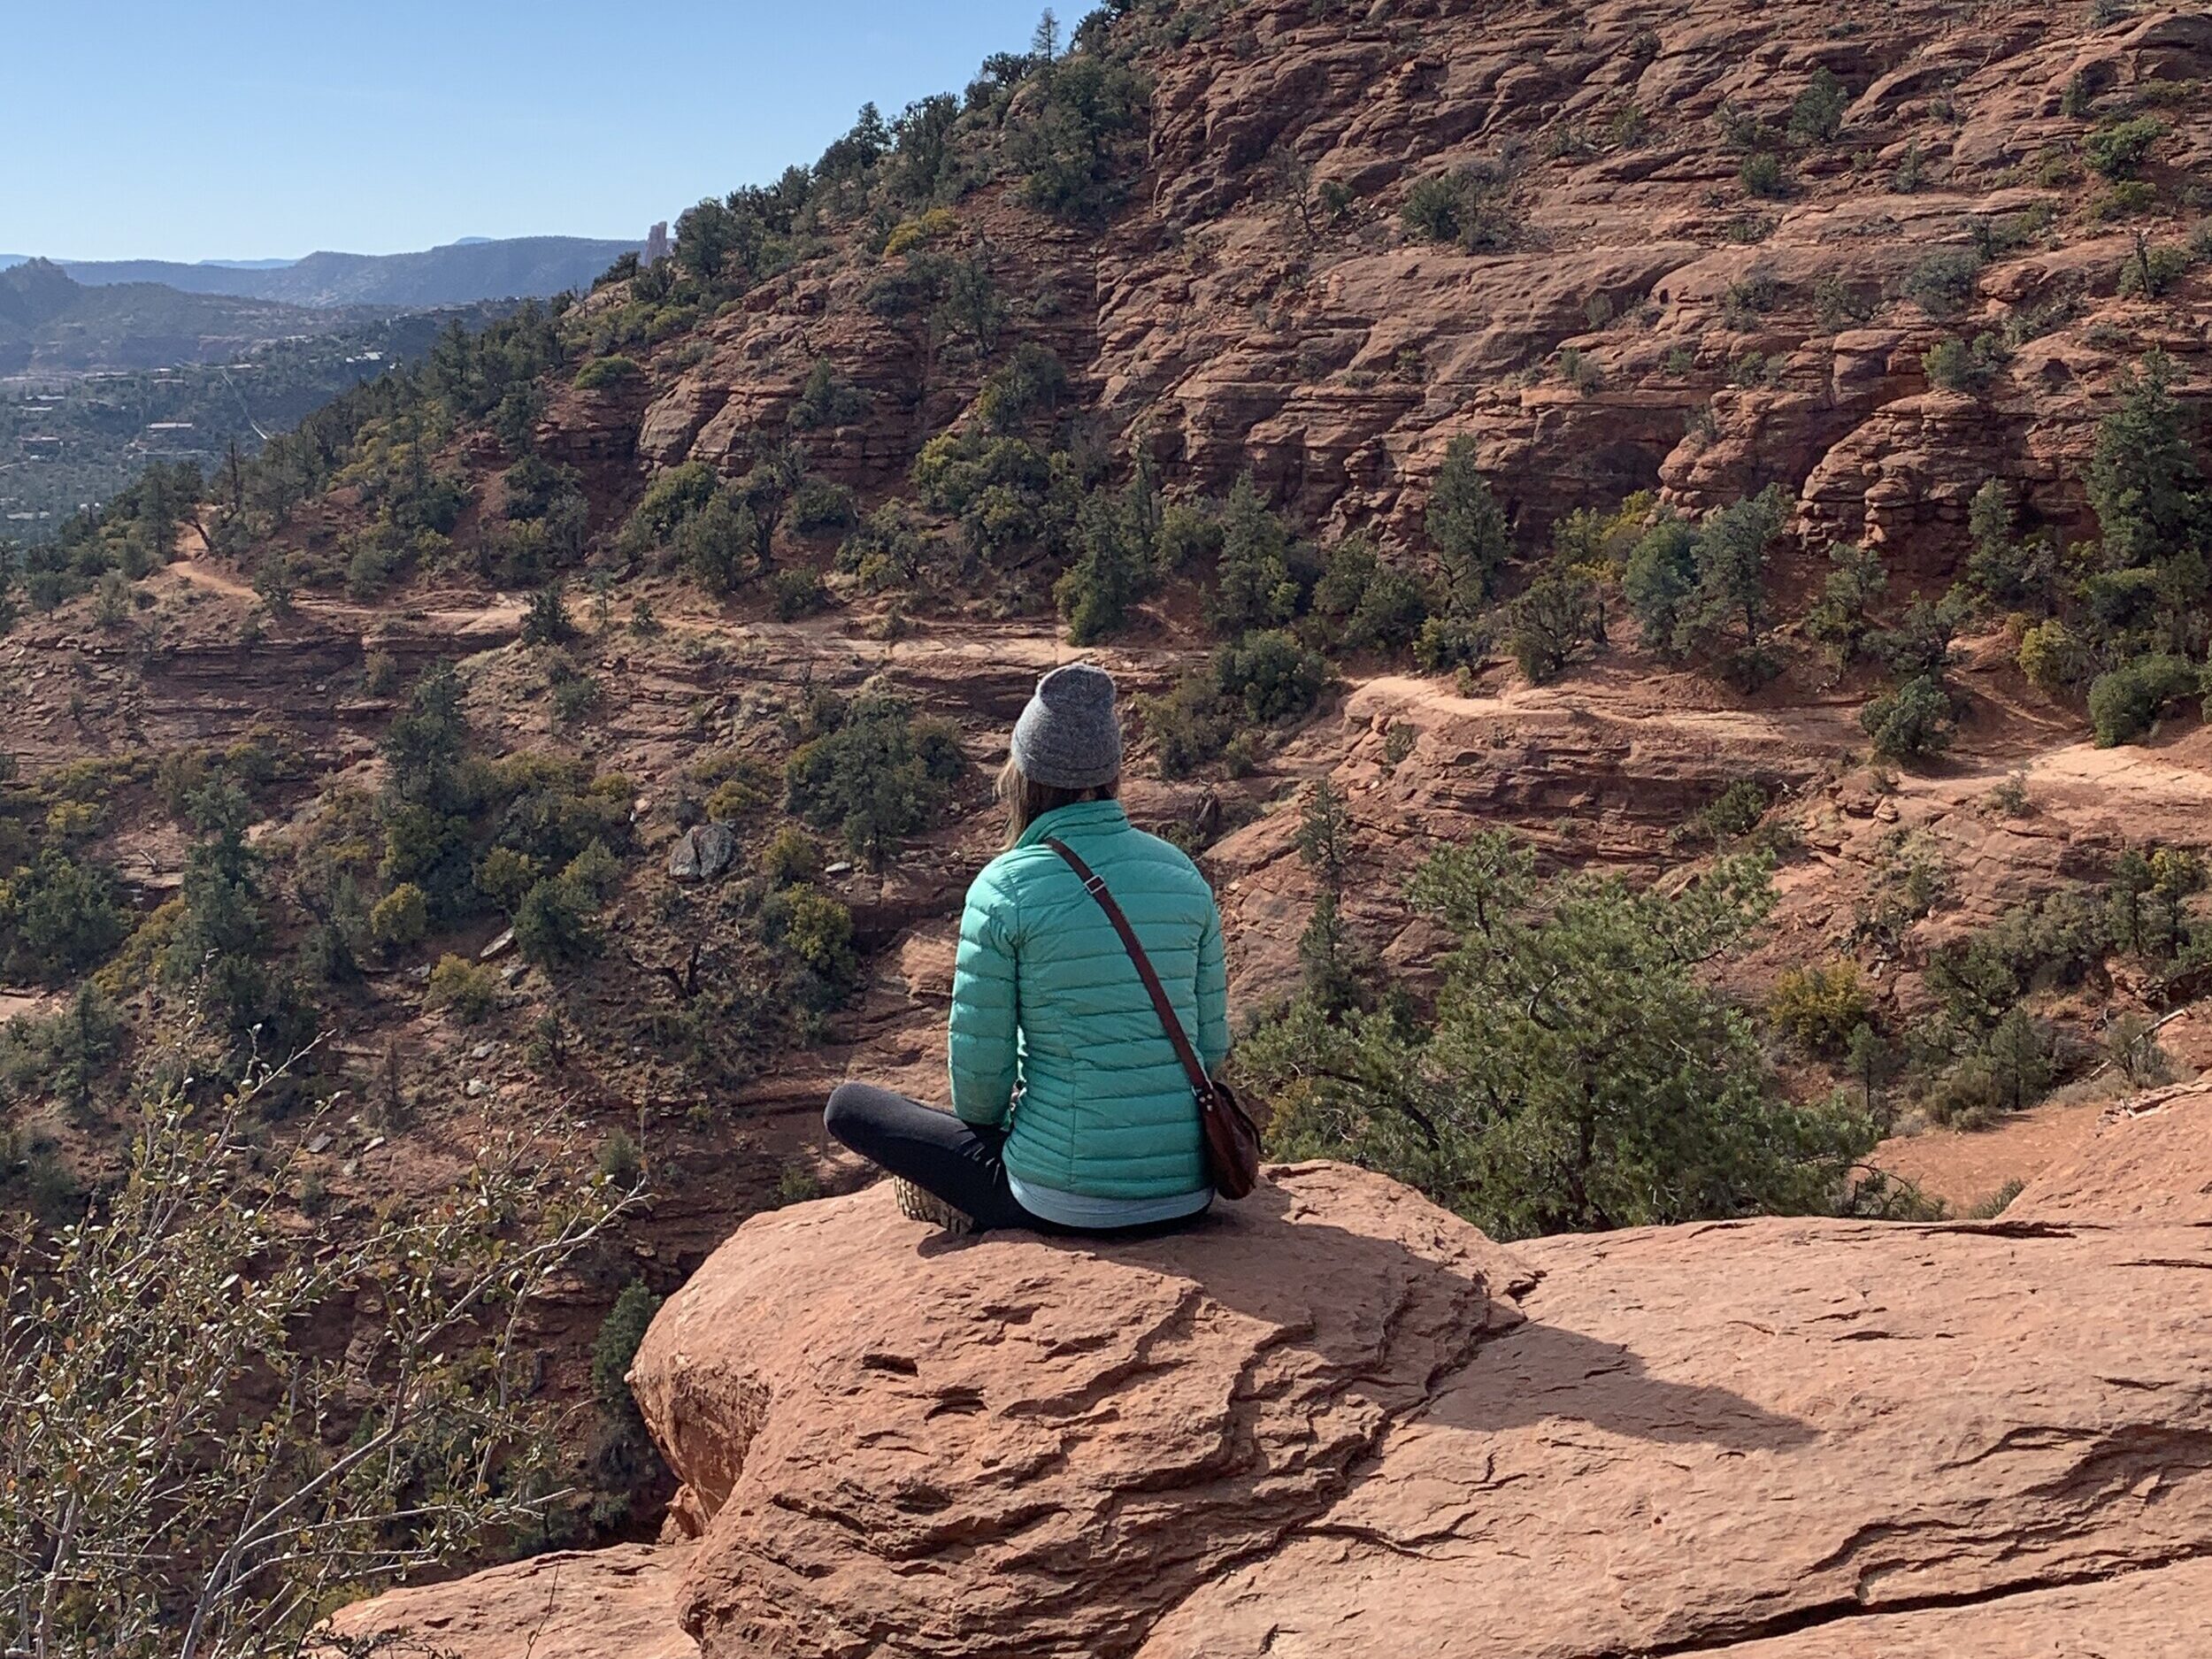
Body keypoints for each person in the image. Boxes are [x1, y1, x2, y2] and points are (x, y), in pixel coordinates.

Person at [824, 661, 1228, 1233]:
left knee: (848, 1106)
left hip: (1059, 1200)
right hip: (1189, 1192)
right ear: (1112, 774)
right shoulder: (1184, 875)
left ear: (1024, 775)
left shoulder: (1003, 888)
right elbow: (1211, 1053)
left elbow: (979, 1099)